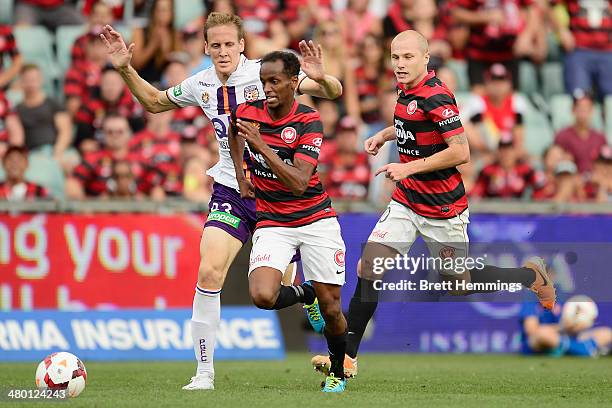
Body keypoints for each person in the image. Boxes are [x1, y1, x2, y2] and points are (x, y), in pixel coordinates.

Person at [100, 11, 343, 390]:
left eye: (230, 44)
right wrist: (125, 69)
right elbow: (155, 102)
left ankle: (303, 294)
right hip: (232, 189)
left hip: (273, 194)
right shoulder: (200, 83)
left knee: (272, 288)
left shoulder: (268, 74)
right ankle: (204, 373)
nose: (223, 51)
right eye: (216, 45)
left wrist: (322, 76)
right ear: (206, 47)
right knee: (209, 271)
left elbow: (331, 92)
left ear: (242, 45)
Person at [310, 30, 556, 378]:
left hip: (443, 207)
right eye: (395, 57)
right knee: (370, 267)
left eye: (408, 57)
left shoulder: (437, 95)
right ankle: (346, 356)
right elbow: (411, 122)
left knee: (459, 282)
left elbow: (461, 151)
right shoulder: (407, 90)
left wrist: (407, 166)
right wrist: (384, 135)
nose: (400, 64)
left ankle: (529, 275)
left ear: (425, 58)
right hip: (407, 200)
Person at [229, 50, 348, 393]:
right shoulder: (247, 113)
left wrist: (262, 147)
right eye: (263, 81)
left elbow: (298, 181)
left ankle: (337, 371)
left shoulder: (309, 120)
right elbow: (233, 136)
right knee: (263, 296)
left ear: (294, 83)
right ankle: (303, 292)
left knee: (332, 308)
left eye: (275, 81)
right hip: (273, 220)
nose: (267, 88)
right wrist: (241, 177)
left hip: (315, 219)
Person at [520, 298, 611, 357]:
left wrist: (578, 326)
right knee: (543, 333)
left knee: (607, 333)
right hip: (539, 344)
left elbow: (571, 329)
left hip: (564, 339)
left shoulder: (560, 301)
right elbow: (531, 330)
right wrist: (563, 326)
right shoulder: (531, 303)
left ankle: (574, 349)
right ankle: (582, 350)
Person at [553, 93, 607, 175]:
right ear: (573, 110)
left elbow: (606, 164)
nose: (583, 112)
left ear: (592, 110)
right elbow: (553, 163)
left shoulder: (600, 137)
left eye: (587, 108)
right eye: (580, 108)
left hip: (595, 182)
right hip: (572, 180)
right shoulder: (562, 136)